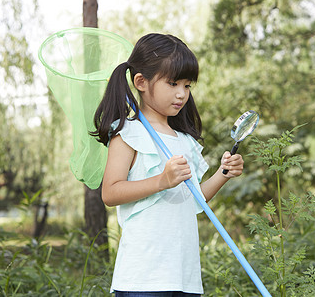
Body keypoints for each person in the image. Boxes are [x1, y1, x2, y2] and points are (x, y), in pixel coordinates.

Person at [92, 33, 244, 297]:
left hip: (183, 275)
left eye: (187, 86)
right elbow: (110, 193)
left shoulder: (184, 140)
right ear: (141, 82)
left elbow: (194, 197)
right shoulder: (128, 133)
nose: (181, 94)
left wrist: (223, 174)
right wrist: (161, 180)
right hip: (143, 277)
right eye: (173, 83)